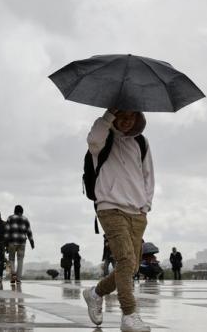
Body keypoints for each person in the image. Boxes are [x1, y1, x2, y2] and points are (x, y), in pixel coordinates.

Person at [82, 109, 155, 332]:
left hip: (137, 212)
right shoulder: (104, 136)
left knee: (130, 266)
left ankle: (95, 293)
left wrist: (146, 206)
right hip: (110, 208)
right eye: (121, 115)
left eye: (131, 116)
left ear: (137, 118)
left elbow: (148, 175)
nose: (126, 121)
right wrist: (107, 117)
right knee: (125, 261)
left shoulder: (141, 142)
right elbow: (92, 141)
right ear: (115, 115)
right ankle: (130, 315)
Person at [4, 205, 34, 283]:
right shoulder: (25, 219)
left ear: (15, 211)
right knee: (20, 260)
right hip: (22, 243)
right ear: (22, 211)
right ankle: (18, 278)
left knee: (11, 259)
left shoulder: (10, 218)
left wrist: (5, 243)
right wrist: (31, 242)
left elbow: (7, 231)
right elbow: (29, 232)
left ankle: (13, 274)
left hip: (12, 242)